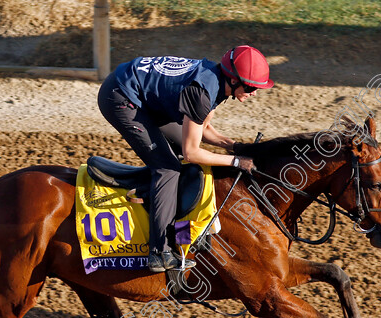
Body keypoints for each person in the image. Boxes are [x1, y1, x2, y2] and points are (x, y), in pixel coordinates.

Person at [97, 45, 274, 273]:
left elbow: (204, 128)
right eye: (250, 86)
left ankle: (176, 221)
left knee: (180, 149)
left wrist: (235, 146)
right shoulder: (202, 93)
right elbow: (192, 152)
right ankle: (159, 253)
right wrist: (236, 162)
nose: (254, 93)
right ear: (233, 80)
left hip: (143, 94)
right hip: (120, 95)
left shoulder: (217, 82)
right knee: (168, 167)